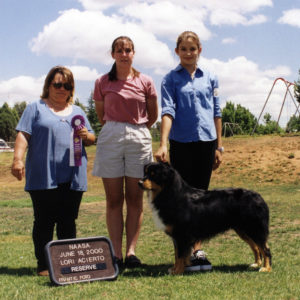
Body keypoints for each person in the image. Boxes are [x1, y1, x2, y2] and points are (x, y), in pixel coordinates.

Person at [11, 66, 95, 276]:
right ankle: (44, 265)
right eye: (57, 84)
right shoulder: (35, 108)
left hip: (73, 176)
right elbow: (23, 135)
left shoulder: (78, 112)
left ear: (71, 89)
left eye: (67, 85)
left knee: (68, 221)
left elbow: (92, 138)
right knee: (44, 221)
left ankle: (66, 264)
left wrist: (87, 136)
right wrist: (17, 159)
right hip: (43, 175)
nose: (62, 89)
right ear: (48, 85)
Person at [155, 31, 223, 272]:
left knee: (201, 198)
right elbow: (167, 111)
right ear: (177, 51)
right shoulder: (170, 79)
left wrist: (219, 146)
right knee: (183, 201)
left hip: (207, 143)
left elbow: (217, 112)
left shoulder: (211, 78)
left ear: (200, 50)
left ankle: (197, 251)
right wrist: (163, 143)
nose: (188, 53)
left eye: (192, 49)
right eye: (183, 49)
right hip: (181, 143)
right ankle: (183, 252)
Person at [92, 36, 158, 269]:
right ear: (113, 54)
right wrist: (118, 128)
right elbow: (100, 116)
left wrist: (135, 128)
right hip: (111, 135)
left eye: (128, 50)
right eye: (119, 50)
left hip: (139, 136)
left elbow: (153, 115)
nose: (124, 54)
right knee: (113, 199)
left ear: (133, 53)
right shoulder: (102, 82)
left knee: (134, 198)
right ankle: (116, 254)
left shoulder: (145, 81)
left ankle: (131, 252)